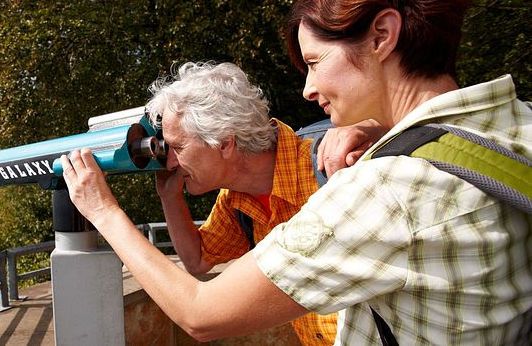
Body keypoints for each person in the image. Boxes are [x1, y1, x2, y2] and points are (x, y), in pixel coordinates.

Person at [60, 0, 532, 345]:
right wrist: (385, 134)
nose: (306, 89)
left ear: (382, 36)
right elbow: (200, 259)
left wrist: (102, 210)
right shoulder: (510, 123)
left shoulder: (376, 185)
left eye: (315, 60)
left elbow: (201, 312)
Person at [147, 61, 385, 345]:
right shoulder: (235, 201)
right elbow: (197, 260)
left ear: (224, 143)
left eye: (178, 147)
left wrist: (377, 126)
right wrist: (169, 197)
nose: (170, 161)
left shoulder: (330, 162)